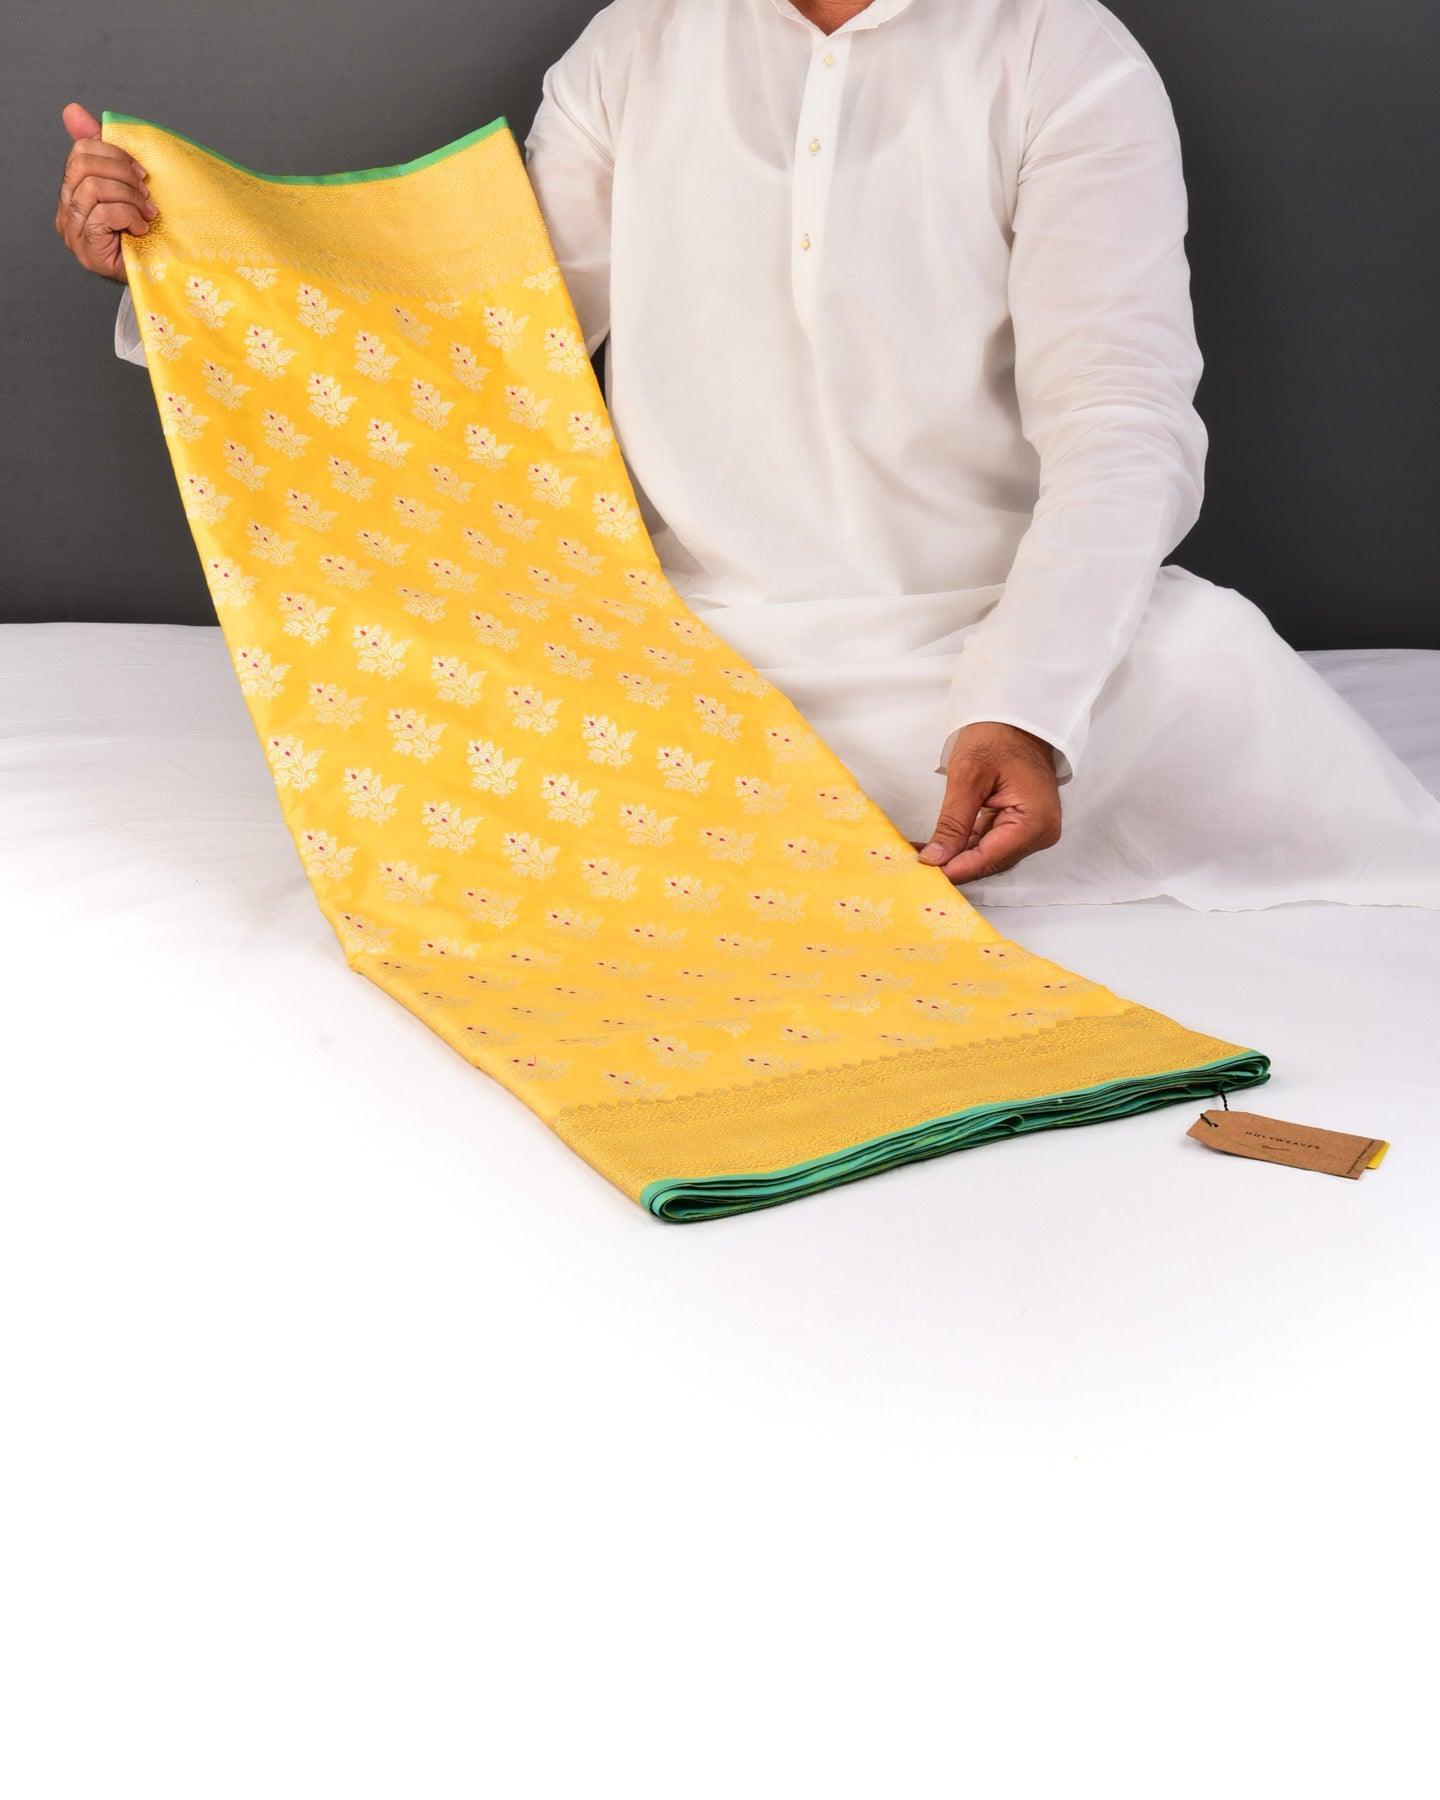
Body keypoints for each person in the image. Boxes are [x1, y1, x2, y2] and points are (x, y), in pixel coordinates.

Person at [56, 0, 1440, 908]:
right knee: (429, 675)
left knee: (1214, 670)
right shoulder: (637, 44)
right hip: (695, 653)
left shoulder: (1060, 53)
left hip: (994, 644)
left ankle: (925, 781)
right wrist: (180, 263)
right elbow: (483, 342)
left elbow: (1124, 420)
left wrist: (1025, 705)